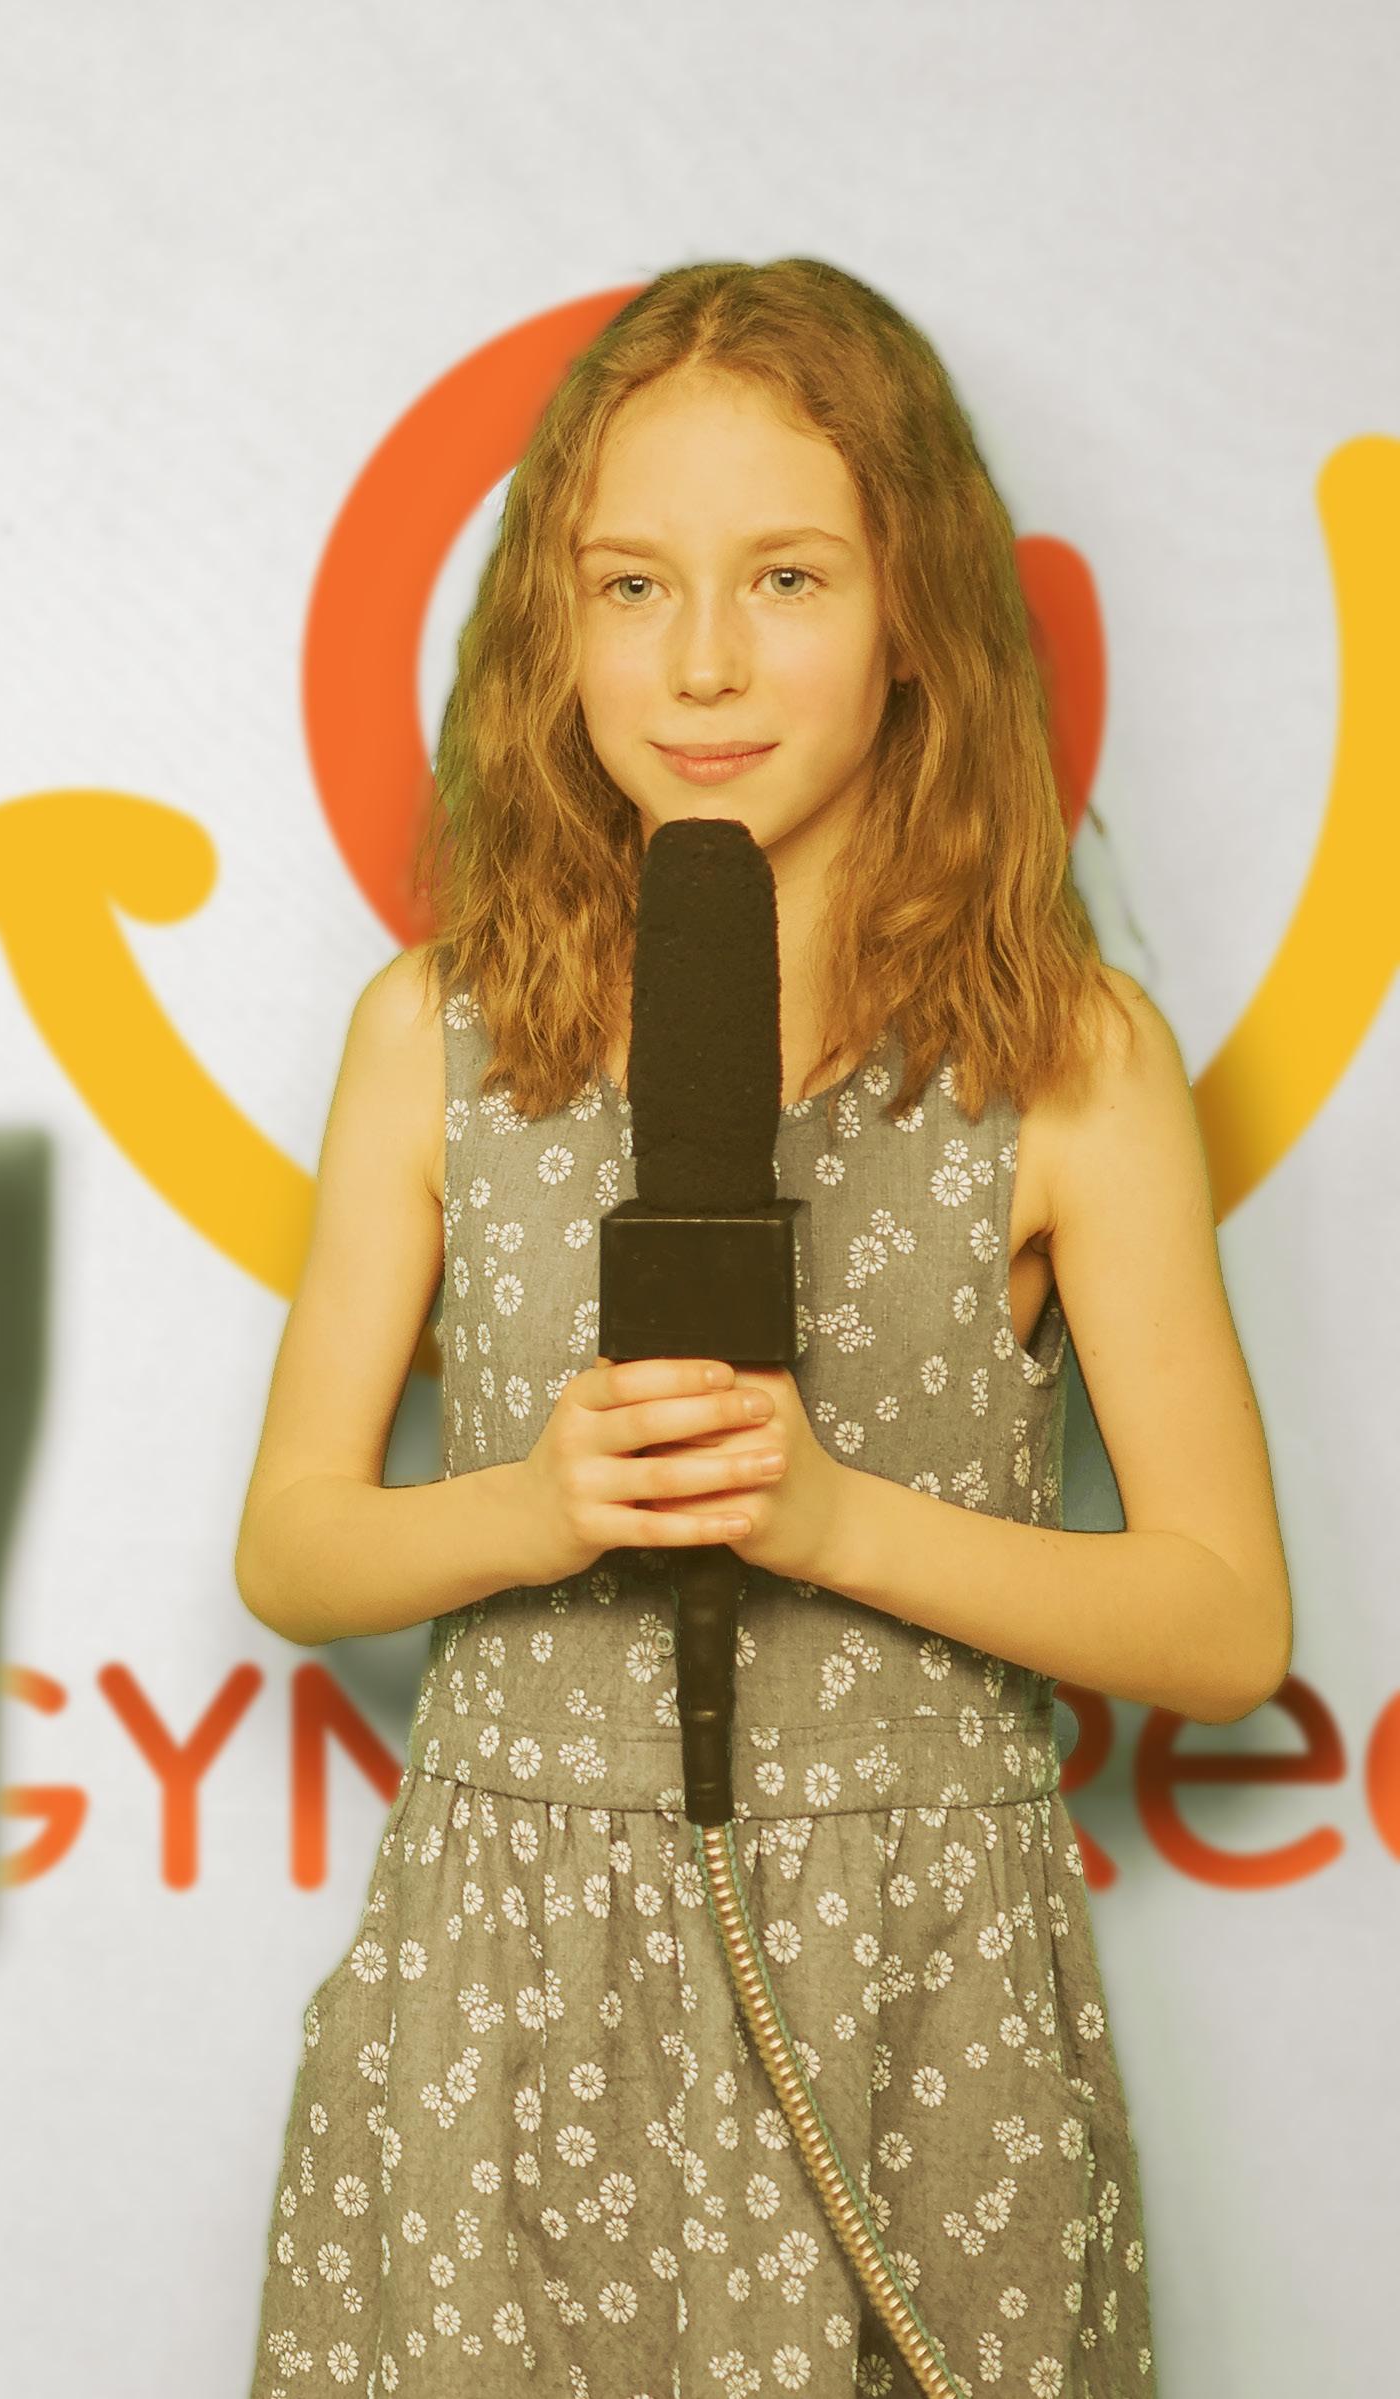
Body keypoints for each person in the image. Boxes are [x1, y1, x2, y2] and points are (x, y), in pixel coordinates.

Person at [234, 257, 1293, 2398]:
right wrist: (536, 1504)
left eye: (786, 579)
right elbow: (292, 1547)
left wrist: (833, 1521)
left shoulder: (1069, 1061)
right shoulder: (436, 1035)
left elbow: (1222, 1621)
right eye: (631, 588)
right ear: (550, 630)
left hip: (910, 1979)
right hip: (513, 1972)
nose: (702, 660)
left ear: (912, 616)